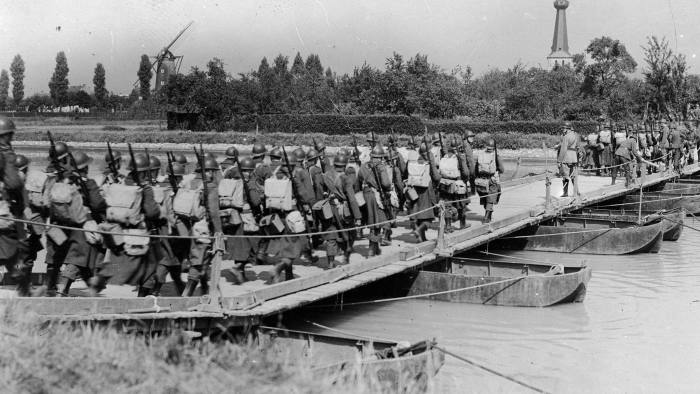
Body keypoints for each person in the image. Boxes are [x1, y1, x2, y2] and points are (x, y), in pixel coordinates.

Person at [54, 151, 107, 296]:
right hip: (85, 224)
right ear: (85, 168)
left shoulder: (65, 181)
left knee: (84, 261)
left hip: (68, 226)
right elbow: (97, 204)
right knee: (78, 258)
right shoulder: (88, 183)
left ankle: (93, 292)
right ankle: (61, 291)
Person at [182, 155, 222, 296]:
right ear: (210, 171)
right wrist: (219, 232)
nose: (213, 174)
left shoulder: (189, 182)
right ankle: (186, 294)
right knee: (198, 262)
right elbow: (213, 212)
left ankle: (204, 288)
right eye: (212, 171)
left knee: (202, 258)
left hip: (187, 226)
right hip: (203, 227)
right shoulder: (209, 186)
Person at [0, 116, 31, 296]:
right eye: (9, 136)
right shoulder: (5, 155)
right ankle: (25, 293)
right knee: (18, 253)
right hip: (3, 214)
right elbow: (13, 183)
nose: (11, 140)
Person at [225, 157, 263, 283]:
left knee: (239, 244)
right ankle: (238, 268)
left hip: (232, 216)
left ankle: (241, 274)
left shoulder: (231, 180)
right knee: (252, 242)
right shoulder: (249, 183)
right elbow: (255, 201)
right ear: (250, 170)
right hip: (246, 216)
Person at [319, 154, 361, 267]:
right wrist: (357, 216)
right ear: (345, 165)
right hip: (342, 210)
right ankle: (346, 258)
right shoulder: (346, 179)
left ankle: (331, 263)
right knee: (349, 233)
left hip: (328, 208)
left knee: (331, 236)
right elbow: (352, 199)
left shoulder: (326, 175)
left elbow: (321, 191)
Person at [357, 145, 393, 255]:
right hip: (376, 196)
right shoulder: (380, 166)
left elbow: (358, 180)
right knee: (377, 221)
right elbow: (386, 183)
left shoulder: (363, 166)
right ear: (380, 157)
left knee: (372, 220)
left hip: (365, 195)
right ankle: (372, 248)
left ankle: (375, 247)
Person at [407, 142, 440, 242]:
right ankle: (419, 230)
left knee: (418, 213)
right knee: (428, 215)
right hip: (426, 188)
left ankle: (421, 237)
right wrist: (438, 178)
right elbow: (435, 175)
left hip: (414, 187)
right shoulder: (430, 157)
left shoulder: (415, 157)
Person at [438, 138, 470, 231]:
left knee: (447, 205)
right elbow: (466, 173)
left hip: (444, 183)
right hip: (457, 184)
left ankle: (448, 226)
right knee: (461, 204)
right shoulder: (460, 157)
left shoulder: (444, 157)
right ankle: (462, 224)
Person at [474, 139, 504, 224]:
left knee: (484, 196)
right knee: (492, 197)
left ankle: (489, 215)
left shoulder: (481, 154)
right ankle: (486, 218)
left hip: (481, 180)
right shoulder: (496, 155)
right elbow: (502, 169)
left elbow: (476, 169)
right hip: (492, 179)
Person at [555, 122, 579, 197]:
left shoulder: (566, 136)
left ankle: (565, 193)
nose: (562, 130)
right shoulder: (575, 135)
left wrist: (559, 161)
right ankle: (576, 192)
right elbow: (577, 146)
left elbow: (563, 149)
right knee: (573, 175)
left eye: (563, 128)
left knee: (565, 175)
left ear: (567, 129)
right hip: (573, 157)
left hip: (566, 157)